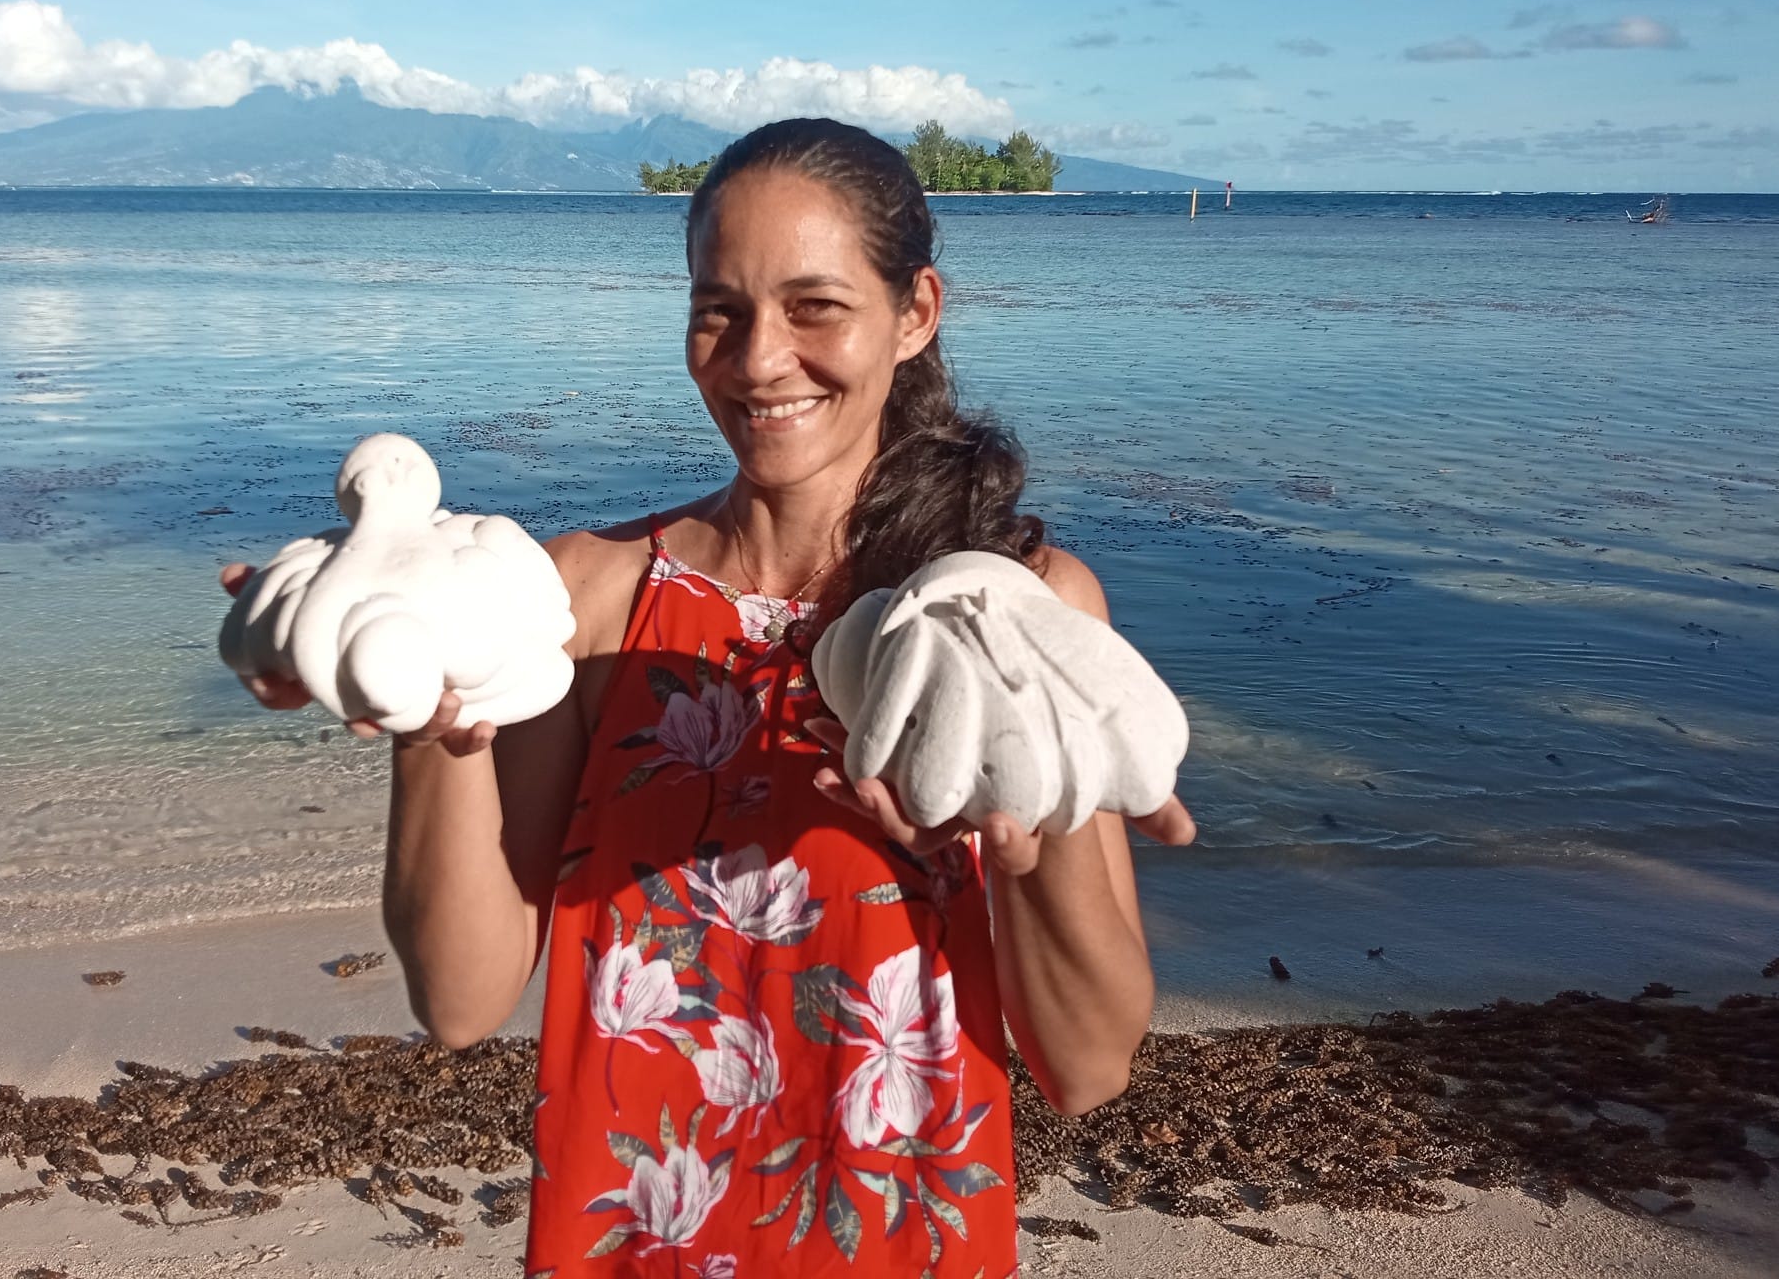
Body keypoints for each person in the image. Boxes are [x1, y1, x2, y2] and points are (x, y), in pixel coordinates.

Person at [221, 117, 1194, 1275]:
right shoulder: (578, 600)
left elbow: (1086, 1068)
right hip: (634, 1234)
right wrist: (433, 686)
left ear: (915, 313)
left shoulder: (1007, 619)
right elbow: (462, 1000)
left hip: (898, 1238)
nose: (756, 359)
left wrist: (1021, 846)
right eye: (718, 309)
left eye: (814, 306)